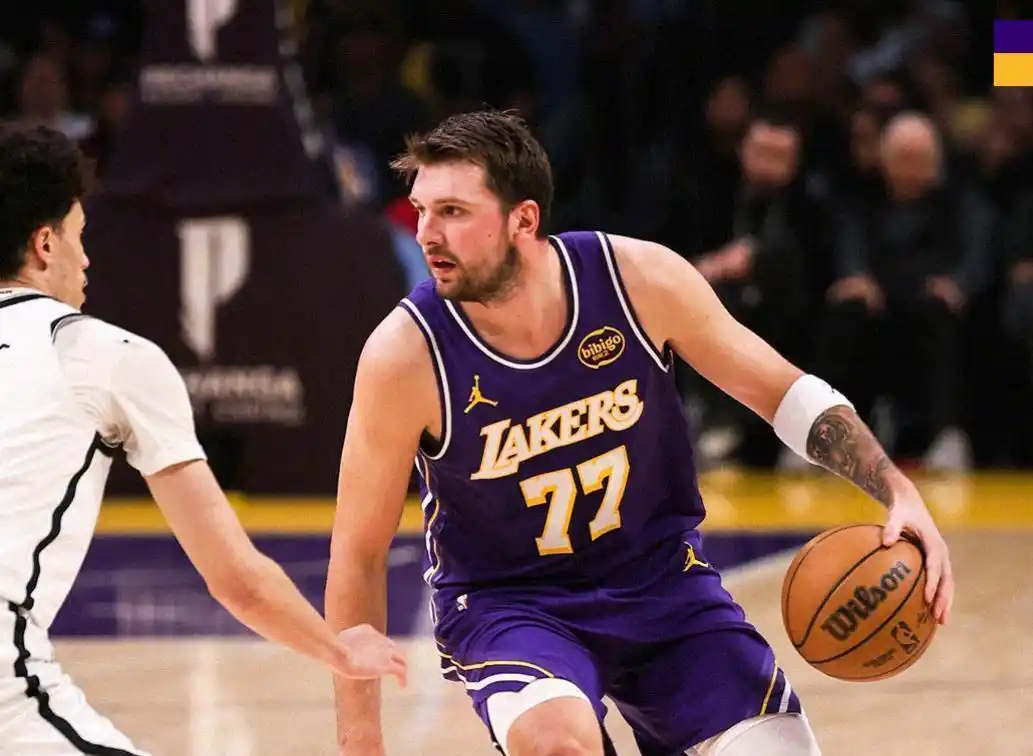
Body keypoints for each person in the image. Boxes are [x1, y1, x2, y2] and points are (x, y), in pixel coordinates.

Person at [325, 110, 954, 756]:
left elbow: (783, 392)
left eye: (453, 211)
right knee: (558, 746)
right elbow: (358, 552)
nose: (426, 233)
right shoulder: (405, 355)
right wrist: (360, 742)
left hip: (662, 584)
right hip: (511, 605)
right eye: (421, 210)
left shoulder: (636, 280)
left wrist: (896, 489)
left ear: (523, 220)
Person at [0, 125, 406, 755]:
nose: (87, 259)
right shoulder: (101, 353)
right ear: (45, 243)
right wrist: (338, 649)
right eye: (78, 237)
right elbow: (237, 579)